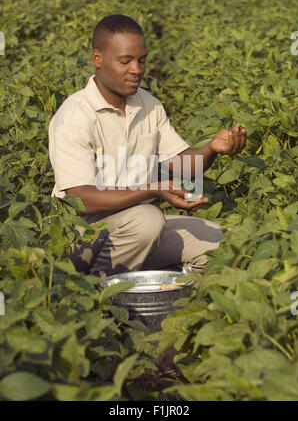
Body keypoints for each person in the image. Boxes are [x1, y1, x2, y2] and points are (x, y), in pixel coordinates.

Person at [48, 14, 247, 278]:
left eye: (141, 60)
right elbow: (80, 200)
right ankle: (94, 300)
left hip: (133, 227)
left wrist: (211, 149)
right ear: (98, 58)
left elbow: (186, 168)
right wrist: (153, 191)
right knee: (148, 220)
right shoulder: (75, 117)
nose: (137, 69)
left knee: (220, 242)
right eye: (125, 61)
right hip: (77, 236)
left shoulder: (148, 105)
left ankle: (164, 303)